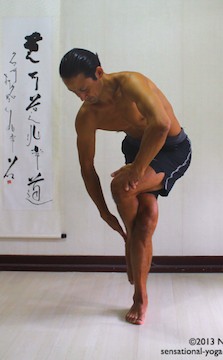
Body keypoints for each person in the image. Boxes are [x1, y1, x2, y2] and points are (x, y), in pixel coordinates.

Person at [59, 48, 192, 325]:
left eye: (84, 89)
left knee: (121, 186)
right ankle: (140, 293)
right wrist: (103, 212)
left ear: (99, 72)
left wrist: (137, 169)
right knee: (145, 221)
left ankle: (133, 247)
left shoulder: (131, 83)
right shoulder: (87, 116)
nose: (82, 98)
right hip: (138, 149)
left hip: (171, 148)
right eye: (75, 94)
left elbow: (161, 125)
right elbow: (86, 167)